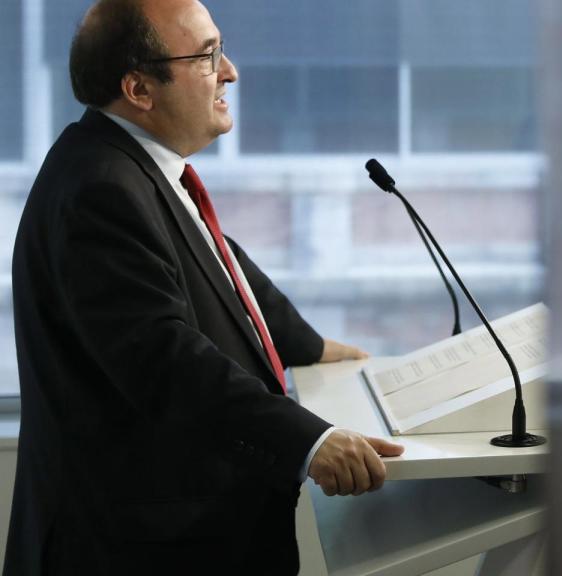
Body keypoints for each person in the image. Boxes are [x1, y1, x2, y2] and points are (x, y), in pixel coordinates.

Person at [3, 0, 404, 574]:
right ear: (139, 89)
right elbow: (166, 360)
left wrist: (315, 349)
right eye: (208, 54)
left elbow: (221, 268)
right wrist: (310, 443)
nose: (231, 71)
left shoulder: (130, 164)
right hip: (134, 550)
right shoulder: (100, 188)